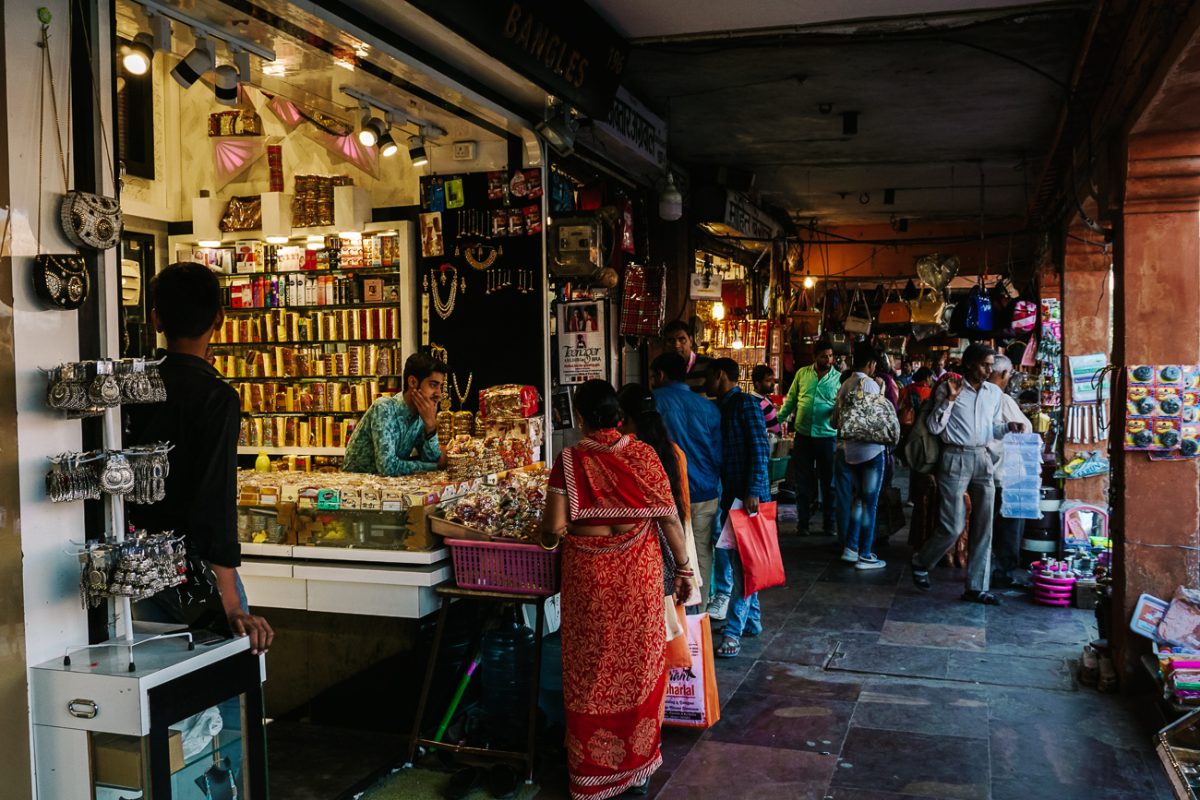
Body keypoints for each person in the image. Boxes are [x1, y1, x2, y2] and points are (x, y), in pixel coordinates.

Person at [540, 380, 695, 799]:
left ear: (582, 417)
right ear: (619, 416)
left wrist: (552, 536)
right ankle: (637, 770)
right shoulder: (643, 454)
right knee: (639, 664)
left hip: (589, 582)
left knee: (589, 668)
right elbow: (668, 520)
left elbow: (553, 528)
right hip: (638, 579)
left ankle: (591, 771)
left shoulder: (570, 460)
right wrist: (684, 570)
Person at [126, 262, 273, 654]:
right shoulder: (216, 398)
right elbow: (214, 499)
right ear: (220, 319)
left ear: (156, 319)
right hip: (193, 572)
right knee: (218, 687)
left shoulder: (131, 389)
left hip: (133, 563)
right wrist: (230, 601)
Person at [910, 344, 1027, 604]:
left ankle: (976, 587)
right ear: (970, 364)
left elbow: (994, 428)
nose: (989, 370)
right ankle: (921, 561)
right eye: (985, 364)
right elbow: (934, 426)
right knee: (952, 524)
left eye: (991, 365)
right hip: (954, 457)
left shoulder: (993, 394)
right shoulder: (949, 388)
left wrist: (1008, 427)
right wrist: (949, 400)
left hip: (982, 458)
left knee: (985, 525)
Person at [705, 359, 772, 659]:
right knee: (743, 562)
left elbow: (760, 448)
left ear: (720, 376)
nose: (705, 383)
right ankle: (751, 621)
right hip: (733, 495)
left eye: (708, 377)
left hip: (746, 498)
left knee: (744, 566)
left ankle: (733, 631)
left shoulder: (744, 403)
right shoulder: (722, 406)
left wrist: (754, 490)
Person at [650, 353, 723, 607]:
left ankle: (670, 618)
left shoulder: (653, 402)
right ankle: (698, 614)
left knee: (663, 555)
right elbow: (717, 454)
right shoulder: (708, 407)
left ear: (660, 375)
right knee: (700, 552)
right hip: (704, 491)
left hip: (665, 494)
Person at [831, 343, 888, 570]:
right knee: (870, 504)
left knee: (858, 501)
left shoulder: (846, 384)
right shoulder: (871, 385)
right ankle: (865, 552)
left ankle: (850, 547)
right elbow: (878, 419)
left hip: (850, 452)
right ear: (871, 364)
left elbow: (835, 420)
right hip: (871, 452)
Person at [342, 353, 448, 476]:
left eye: (440, 386)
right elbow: (387, 467)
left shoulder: (421, 416)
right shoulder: (384, 408)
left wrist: (431, 427)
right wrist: (434, 467)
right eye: (433, 385)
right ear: (413, 382)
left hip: (386, 489)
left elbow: (431, 458)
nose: (439, 394)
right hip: (354, 489)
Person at [778, 338, 840, 535]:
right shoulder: (802, 374)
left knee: (828, 482)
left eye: (830, 356)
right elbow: (791, 401)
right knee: (802, 482)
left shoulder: (838, 378)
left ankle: (829, 523)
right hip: (803, 435)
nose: (828, 359)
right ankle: (802, 523)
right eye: (824, 356)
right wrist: (776, 420)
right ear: (815, 357)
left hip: (827, 436)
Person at [987, 355, 1033, 588]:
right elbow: (1025, 430)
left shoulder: (982, 397)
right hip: (1006, 474)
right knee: (1009, 527)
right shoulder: (1002, 399)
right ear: (1004, 374)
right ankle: (1003, 572)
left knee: (993, 526)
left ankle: (991, 569)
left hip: (991, 472)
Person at [662, 320, 711, 392]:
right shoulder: (663, 368)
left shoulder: (708, 364)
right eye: (671, 341)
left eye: (682, 340)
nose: (676, 345)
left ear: (691, 341)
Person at [750, 365, 782, 436]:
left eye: (773, 380)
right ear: (757, 383)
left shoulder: (767, 398)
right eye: (768, 380)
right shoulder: (754, 402)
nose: (773, 383)